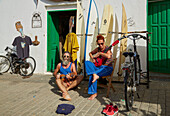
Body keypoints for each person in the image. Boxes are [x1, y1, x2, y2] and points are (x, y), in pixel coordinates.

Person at [85, 34, 113, 100]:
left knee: (92, 75)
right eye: (99, 44)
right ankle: (95, 74)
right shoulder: (98, 49)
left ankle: (93, 93)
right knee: (87, 62)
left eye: (101, 44)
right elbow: (90, 53)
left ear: (104, 42)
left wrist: (100, 53)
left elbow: (108, 56)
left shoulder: (107, 49)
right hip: (99, 67)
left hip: (107, 68)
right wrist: (92, 58)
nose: (100, 45)